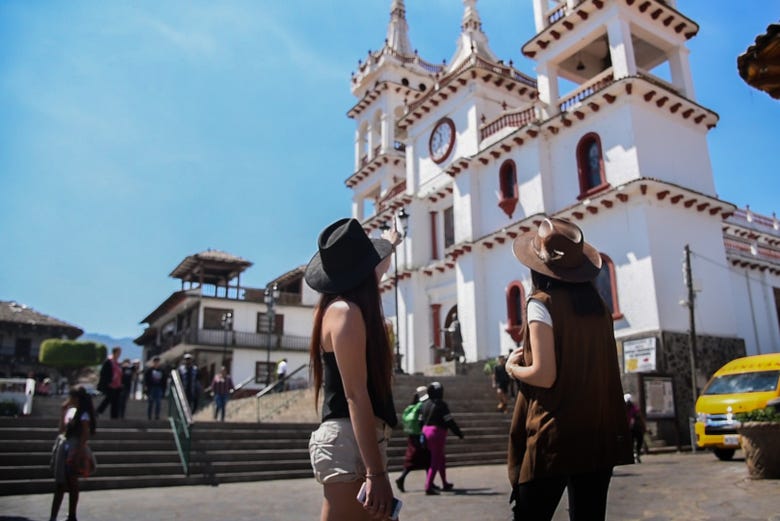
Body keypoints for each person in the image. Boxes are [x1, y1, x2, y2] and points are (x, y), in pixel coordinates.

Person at [506, 217, 633, 521]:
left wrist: (513, 368)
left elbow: (544, 374)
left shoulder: (541, 303)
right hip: (599, 432)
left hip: (556, 434)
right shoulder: (599, 307)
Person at [305, 217, 400, 521]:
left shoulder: (334, 307)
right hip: (349, 442)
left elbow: (377, 267)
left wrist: (392, 243)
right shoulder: (346, 313)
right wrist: (376, 473)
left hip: (356, 438)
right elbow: (356, 395)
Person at [49, 386, 97, 521]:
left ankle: (72, 515)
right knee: (60, 483)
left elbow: (85, 435)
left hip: (74, 448)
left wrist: (77, 453)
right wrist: (63, 412)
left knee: (71, 483)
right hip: (65, 445)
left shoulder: (83, 414)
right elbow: (61, 430)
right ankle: (54, 516)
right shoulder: (70, 411)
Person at [420, 381, 464, 495]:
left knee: (440, 458)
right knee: (435, 460)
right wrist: (458, 433)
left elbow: (420, 420)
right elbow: (449, 420)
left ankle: (445, 483)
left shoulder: (424, 404)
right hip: (437, 433)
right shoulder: (441, 404)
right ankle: (428, 486)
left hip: (426, 431)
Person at [395, 386, 432, 493]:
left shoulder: (411, 407)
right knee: (426, 459)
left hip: (412, 436)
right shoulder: (422, 406)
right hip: (421, 436)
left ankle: (429, 483)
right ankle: (428, 483)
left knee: (413, 459)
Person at [96, 346, 123, 419]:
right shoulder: (108, 362)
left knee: (115, 401)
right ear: (115, 352)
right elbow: (104, 373)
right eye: (118, 352)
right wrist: (107, 382)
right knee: (108, 399)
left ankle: (114, 417)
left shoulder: (118, 363)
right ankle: (98, 411)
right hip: (110, 385)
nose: (120, 354)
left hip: (117, 385)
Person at [624, 393, 646, 463]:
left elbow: (639, 416)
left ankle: (637, 453)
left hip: (635, 428)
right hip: (628, 428)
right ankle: (633, 454)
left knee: (639, 440)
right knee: (631, 442)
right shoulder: (623, 409)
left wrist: (643, 426)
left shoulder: (634, 408)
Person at [144, 356, 167, 420]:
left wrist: (164, 389)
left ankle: (157, 416)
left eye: (157, 361)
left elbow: (164, 380)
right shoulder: (149, 370)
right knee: (150, 403)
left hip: (159, 388)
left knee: (158, 403)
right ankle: (149, 416)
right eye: (155, 361)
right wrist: (146, 387)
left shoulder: (162, 370)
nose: (156, 363)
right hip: (151, 387)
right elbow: (146, 379)